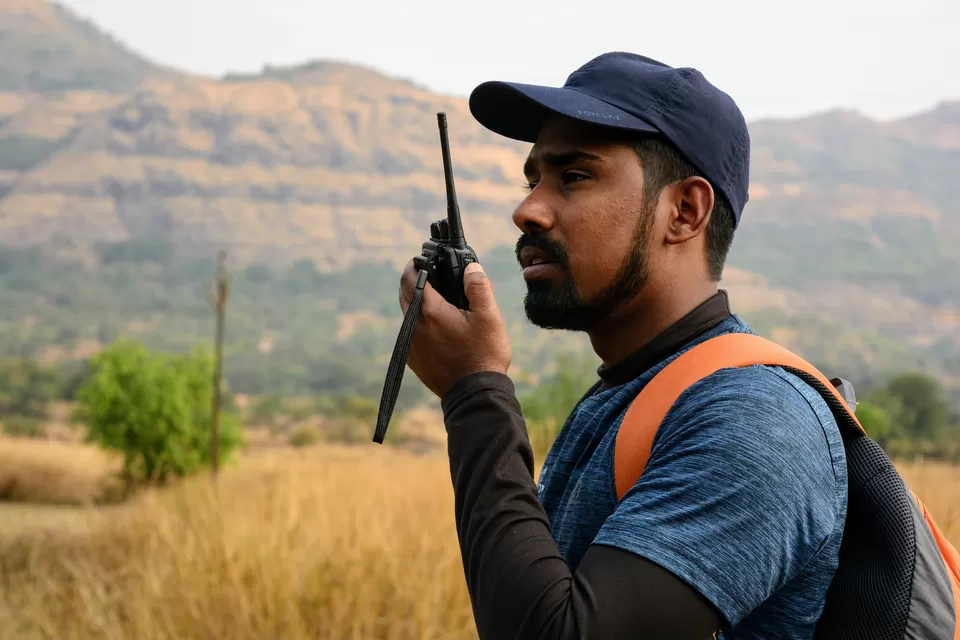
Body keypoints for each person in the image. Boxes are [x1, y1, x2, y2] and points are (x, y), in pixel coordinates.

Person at [397, 52, 847, 640]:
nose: (526, 210)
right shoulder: (635, 392)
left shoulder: (756, 419)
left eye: (574, 177)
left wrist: (473, 390)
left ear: (685, 211)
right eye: (534, 179)